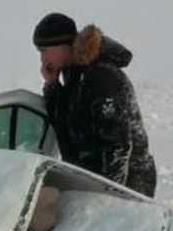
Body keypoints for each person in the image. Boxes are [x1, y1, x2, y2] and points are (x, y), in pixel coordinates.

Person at [33, 13, 157, 197]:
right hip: (93, 178)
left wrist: (111, 197)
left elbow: (118, 146)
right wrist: (52, 85)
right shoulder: (73, 76)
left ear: (63, 46)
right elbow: (63, 127)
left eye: (44, 50)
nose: (42, 59)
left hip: (128, 184)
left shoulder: (101, 77)